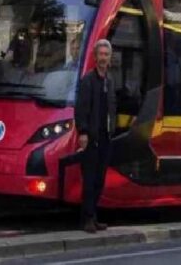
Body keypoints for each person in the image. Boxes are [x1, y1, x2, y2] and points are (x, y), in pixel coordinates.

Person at [74, 38, 116, 234]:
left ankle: (94, 216)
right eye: (100, 54)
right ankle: (87, 219)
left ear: (110, 58)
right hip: (91, 137)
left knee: (99, 179)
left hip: (105, 137)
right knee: (89, 180)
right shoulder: (88, 81)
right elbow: (81, 109)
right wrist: (82, 132)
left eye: (106, 55)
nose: (103, 58)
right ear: (95, 57)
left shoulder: (109, 80)